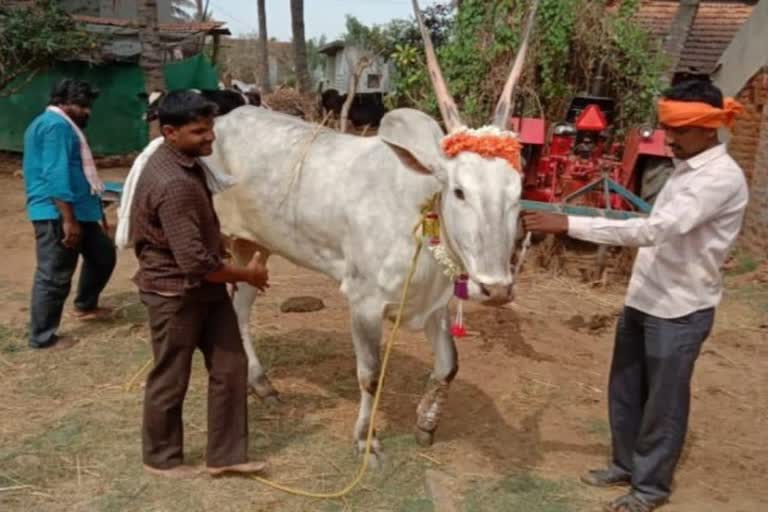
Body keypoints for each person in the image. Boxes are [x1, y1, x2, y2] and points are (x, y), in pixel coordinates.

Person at [523, 80, 748, 512]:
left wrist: (568, 223)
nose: (669, 139)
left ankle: (649, 489)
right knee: (625, 389)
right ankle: (624, 464)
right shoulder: (686, 168)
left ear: (707, 130)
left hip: (680, 308)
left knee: (663, 403)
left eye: (677, 130)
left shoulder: (719, 178)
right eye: (666, 129)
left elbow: (656, 229)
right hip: (645, 298)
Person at [130, 90, 269, 479]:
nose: (210, 138)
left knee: (231, 365)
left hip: (203, 286)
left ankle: (225, 456)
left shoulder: (186, 162)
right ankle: (161, 458)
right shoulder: (173, 182)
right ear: (170, 132)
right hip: (175, 292)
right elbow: (192, 262)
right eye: (199, 131)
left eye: (211, 129)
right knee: (171, 375)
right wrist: (247, 275)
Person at [23, 79, 116, 350]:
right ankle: (42, 338)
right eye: (82, 105)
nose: (88, 112)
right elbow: (55, 172)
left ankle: (85, 305)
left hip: (79, 211)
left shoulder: (61, 124)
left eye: (88, 106)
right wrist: (68, 220)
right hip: (58, 213)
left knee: (103, 256)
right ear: (62, 103)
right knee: (54, 274)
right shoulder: (55, 126)